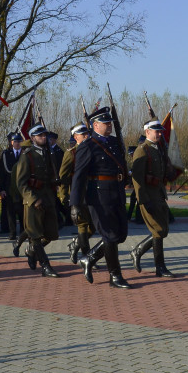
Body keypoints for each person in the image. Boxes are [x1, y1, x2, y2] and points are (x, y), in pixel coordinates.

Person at [71, 107, 131, 289]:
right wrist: (75, 204)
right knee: (110, 236)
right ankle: (115, 276)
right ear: (95, 125)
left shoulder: (114, 142)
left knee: (121, 235)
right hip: (99, 196)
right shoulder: (87, 146)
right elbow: (78, 176)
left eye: (110, 123)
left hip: (117, 192)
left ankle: (89, 258)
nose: (109, 126)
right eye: (105, 123)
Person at [129, 121, 179, 278]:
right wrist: (143, 200)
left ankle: (138, 251)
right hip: (149, 197)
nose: (158, 134)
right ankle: (160, 267)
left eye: (160, 131)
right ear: (147, 131)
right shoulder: (142, 150)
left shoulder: (157, 149)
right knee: (158, 231)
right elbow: (137, 179)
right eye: (155, 131)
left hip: (159, 194)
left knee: (163, 230)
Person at [14, 124, 60, 277]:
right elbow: (21, 183)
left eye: (44, 135)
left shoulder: (49, 153)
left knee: (52, 234)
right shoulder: (27, 155)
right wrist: (33, 199)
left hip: (48, 198)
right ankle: (45, 266)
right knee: (35, 234)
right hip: (34, 200)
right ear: (33, 138)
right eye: (40, 135)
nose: (43, 137)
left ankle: (32, 251)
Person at [59, 123, 95, 264]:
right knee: (82, 224)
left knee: (93, 226)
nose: (86, 136)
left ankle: (75, 244)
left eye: (87, 133)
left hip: (91, 192)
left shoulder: (92, 149)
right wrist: (64, 195)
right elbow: (64, 175)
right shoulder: (71, 153)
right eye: (82, 134)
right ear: (75, 137)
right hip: (77, 193)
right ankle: (87, 257)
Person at [0, 132, 24, 239]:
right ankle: (12, 233)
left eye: (19, 141)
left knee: (22, 211)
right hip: (9, 188)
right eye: (15, 141)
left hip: (21, 188)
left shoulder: (25, 153)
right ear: (11, 142)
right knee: (10, 212)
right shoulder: (6, 154)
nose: (17, 144)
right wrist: (1, 189)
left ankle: (23, 231)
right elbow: (1, 173)